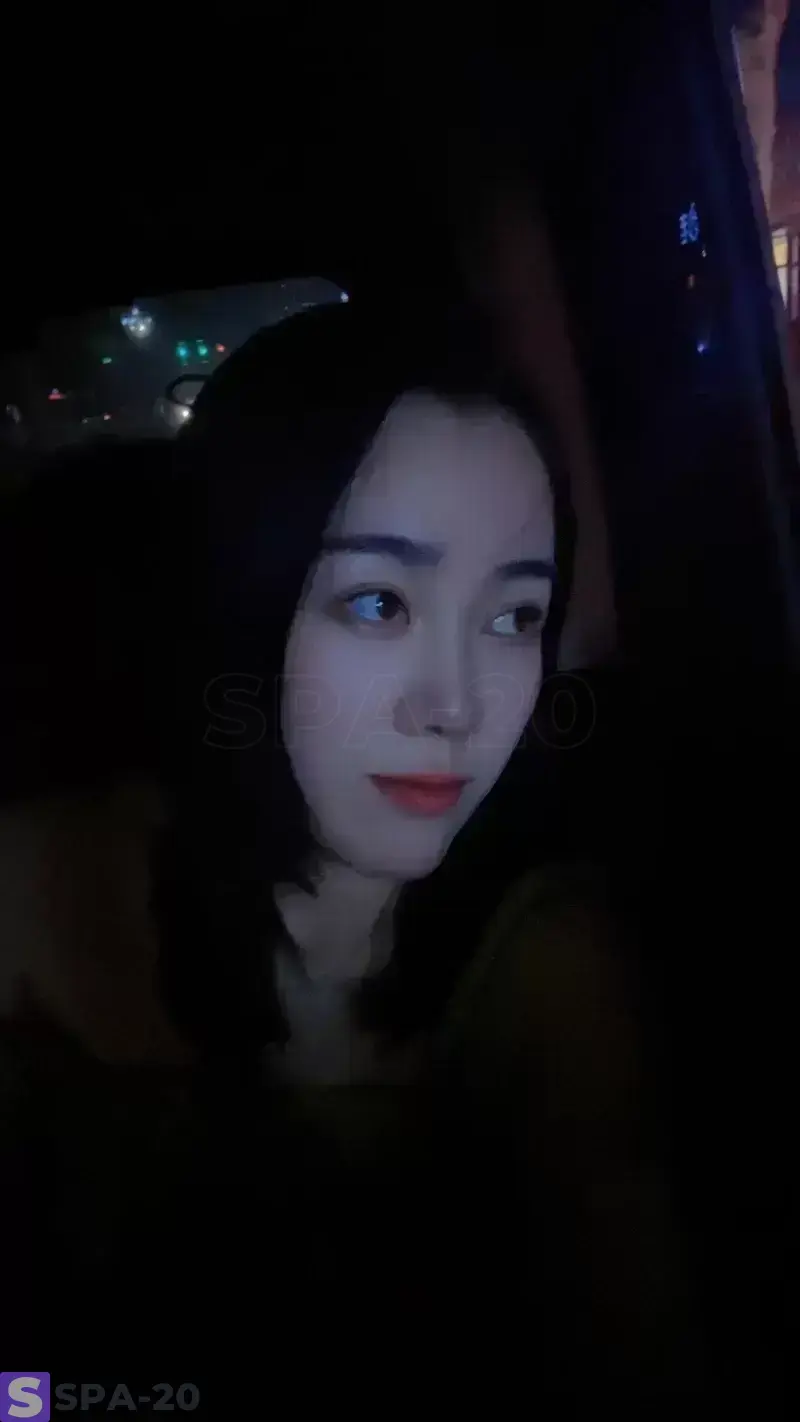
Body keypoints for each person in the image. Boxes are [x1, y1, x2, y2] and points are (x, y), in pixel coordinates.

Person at [0, 301, 709, 1397]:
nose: (456, 705)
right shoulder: (38, 897)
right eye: (378, 602)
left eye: (512, 618)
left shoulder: (540, 962)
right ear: (236, 601)